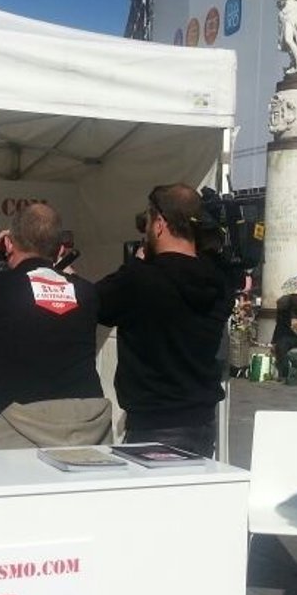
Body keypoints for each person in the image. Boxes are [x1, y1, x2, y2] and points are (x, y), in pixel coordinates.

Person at [0, 203, 111, 450]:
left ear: (9, 244)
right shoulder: (86, 292)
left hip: (18, 436)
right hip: (88, 432)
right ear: (61, 249)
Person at [95, 183, 233, 458]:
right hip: (201, 423)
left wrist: (135, 264)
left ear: (159, 224)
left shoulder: (139, 279)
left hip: (154, 426)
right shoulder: (219, 280)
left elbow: (96, 304)